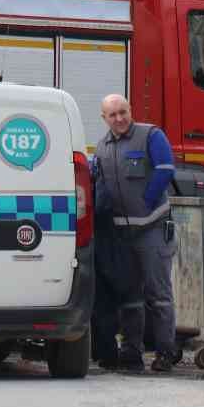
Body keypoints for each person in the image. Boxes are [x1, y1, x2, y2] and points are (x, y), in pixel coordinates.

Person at [93, 94, 180, 373]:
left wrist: (146, 201)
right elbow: (99, 184)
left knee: (158, 294)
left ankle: (165, 352)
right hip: (121, 235)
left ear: (131, 110)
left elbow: (165, 169)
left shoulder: (151, 135)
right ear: (104, 118)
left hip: (152, 228)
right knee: (129, 296)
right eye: (113, 115)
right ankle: (131, 352)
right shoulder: (102, 147)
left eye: (123, 112)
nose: (119, 118)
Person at [88, 154, 136, 370]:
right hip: (109, 244)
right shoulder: (107, 182)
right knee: (110, 302)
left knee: (101, 303)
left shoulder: (94, 179)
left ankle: (104, 352)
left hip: (98, 245)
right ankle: (109, 353)